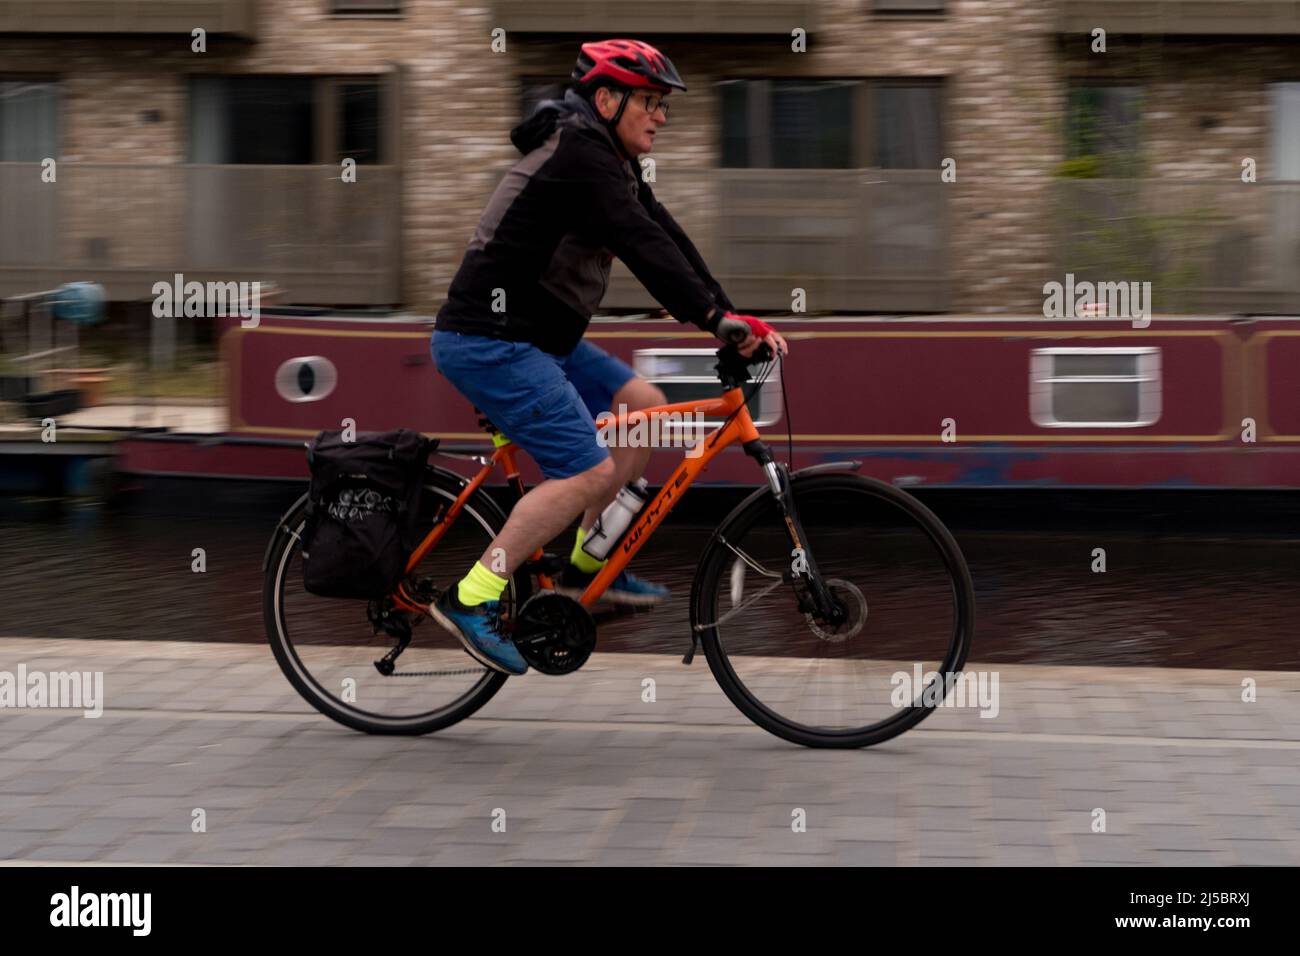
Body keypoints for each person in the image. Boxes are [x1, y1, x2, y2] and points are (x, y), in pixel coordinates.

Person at [430, 38, 788, 675]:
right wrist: (712, 320)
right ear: (606, 98)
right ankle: (472, 596)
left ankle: (582, 572)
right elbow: (638, 243)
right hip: (490, 339)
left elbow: (665, 235)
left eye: (662, 105)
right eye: (650, 102)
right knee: (589, 471)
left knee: (643, 407)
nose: (661, 116)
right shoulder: (580, 155)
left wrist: (730, 315)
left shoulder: (610, 161)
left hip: (538, 339)